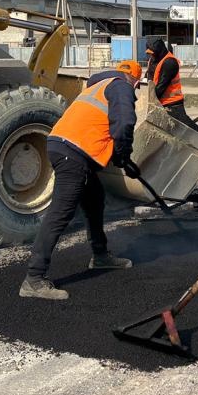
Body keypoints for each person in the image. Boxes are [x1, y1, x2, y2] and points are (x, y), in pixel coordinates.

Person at [20, 60, 139, 300]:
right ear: (135, 80)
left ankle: (101, 255)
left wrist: (120, 157)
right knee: (60, 213)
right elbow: (124, 122)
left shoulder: (98, 85)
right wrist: (123, 155)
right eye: (136, 86)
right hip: (73, 152)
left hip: (63, 145)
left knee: (95, 198)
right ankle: (33, 279)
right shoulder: (122, 86)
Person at [144, 38, 188, 123]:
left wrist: (147, 100)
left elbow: (161, 86)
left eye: (153, 53)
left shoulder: (170, 62)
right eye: (150, 53)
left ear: (159, 51)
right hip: (158, 103)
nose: (151, 56)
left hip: (173, 105)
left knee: (187, 131)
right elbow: (147, 79)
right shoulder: (152, 60)